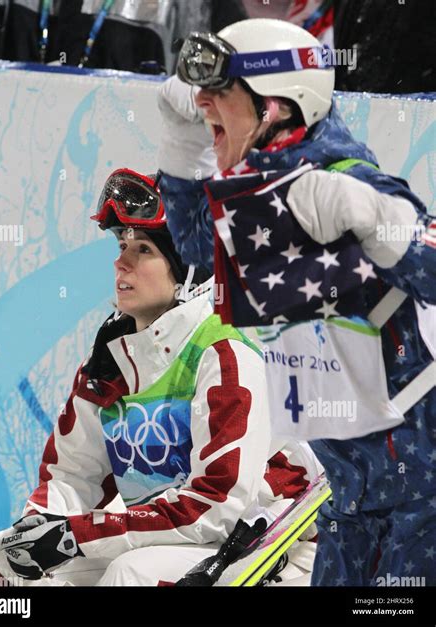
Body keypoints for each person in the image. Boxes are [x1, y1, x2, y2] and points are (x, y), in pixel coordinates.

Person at [156, 18, 436, 586]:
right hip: (352, 498)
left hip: (420, 501)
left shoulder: (341, 179)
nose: (202, 102)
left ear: (277, 107)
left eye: (220, 91)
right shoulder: (262, 186)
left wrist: (383, 221)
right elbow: (200, 256)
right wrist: (183, 153)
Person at [0, 168, 317, 587]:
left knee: (129, 575)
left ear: (189, 269)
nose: (121, 260)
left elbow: (217, 506)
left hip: (262, 544)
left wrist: (77, 537)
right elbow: (72, 476)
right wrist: (35, 534)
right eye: (121, 243)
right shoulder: (110, 358)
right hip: (167, 534)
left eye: (143, 248)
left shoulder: (225, 353)